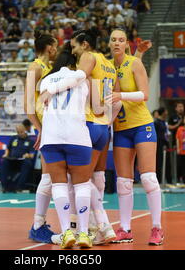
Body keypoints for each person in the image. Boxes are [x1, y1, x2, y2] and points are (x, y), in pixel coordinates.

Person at [45, 29, 118, 245]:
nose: (73, 50)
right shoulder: (109, 64)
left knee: (78, 181)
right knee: (95, 179)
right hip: (103, 126)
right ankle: (100, 228)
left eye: (75, 45)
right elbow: (116, 98)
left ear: (85, 45)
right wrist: (108, 121)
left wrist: (52, 88)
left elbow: (79, 78)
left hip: (85, 123)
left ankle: (98, 226)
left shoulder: (88, 57)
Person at [105, 28, 164, 245]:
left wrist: (121, 95)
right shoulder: (106, 66)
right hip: (121, 129)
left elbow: (145, 95)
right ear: (109, 43)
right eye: (113, 40)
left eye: (121, 40)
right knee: (123, 183)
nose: (117, 43)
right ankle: (125, 229)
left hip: (142, 125)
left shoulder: (134, 63)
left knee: (148, 178)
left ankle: (157, 228)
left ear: (125, 43)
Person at [38, 44, 94, 248]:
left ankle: (66, 233)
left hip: (51, 137)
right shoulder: (81, 78)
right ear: (73, 63)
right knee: (81, 186)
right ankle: (84, 234)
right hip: (77, 136)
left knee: (59, 185)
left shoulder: (45, 80)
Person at [24, 31, 58, 244]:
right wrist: (39, 128)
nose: (57, 50)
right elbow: (28, 104)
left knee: (54, 176)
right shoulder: (35, 67)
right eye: (55, 46)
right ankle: (37, 225)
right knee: (48, 175)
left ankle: (40, 223)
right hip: (46, 124)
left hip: (53, 122)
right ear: (48, 48)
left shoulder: (49, 68)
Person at [0, 124, 35, 193]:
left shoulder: (30, 141)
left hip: (22, 161)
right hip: (12, 160)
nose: (20, 134)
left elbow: (32, 155)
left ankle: (19, 187)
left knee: (27, 163)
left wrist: (28, 155)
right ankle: (4, 187)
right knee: (4, 162)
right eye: (18, 132)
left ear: (25, 130)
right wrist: (6, 154)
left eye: (21, 132)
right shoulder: (13, 138)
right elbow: (8, 148)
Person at [154, 107, 170, 184]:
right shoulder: (156, 123)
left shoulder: (164, 122)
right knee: (159, 163)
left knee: (166, 163)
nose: (167, 113)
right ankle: (158, 180)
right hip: (159, 145)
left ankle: (168, 180)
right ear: (163, 112)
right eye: (166, 111)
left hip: (164, 144)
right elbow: (157, 135)